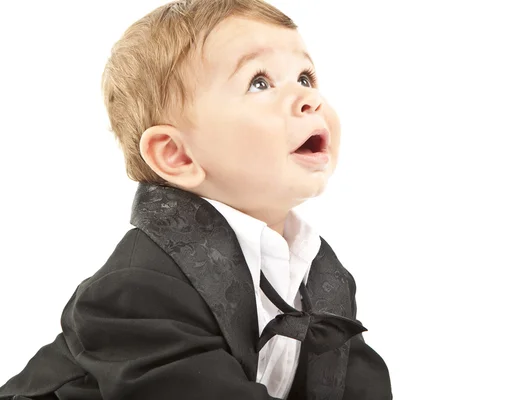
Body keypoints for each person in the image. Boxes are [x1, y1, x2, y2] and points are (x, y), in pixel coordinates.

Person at [0, 0, 392, 398]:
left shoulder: (320, 273)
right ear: (178, 155)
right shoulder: (138, 289)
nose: (309, 99)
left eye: (305, 78)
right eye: (260, 82)